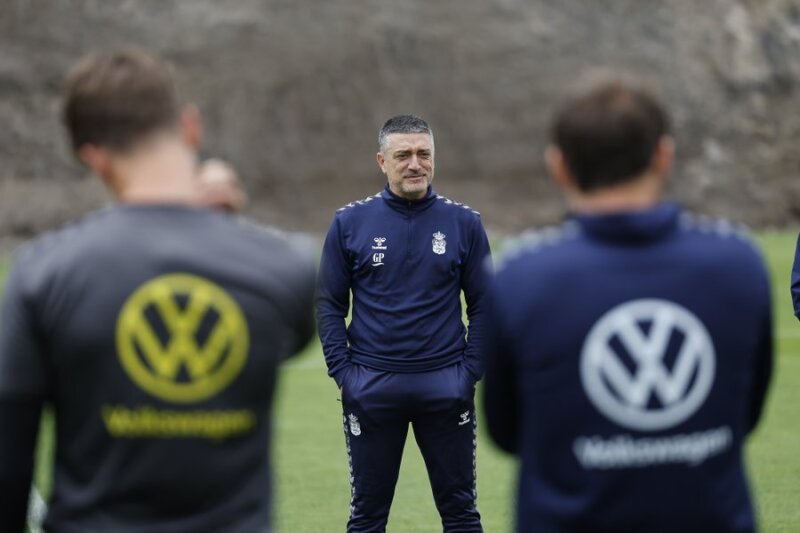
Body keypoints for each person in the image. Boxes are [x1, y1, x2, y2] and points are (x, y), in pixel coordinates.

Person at [0, 48, 316, 532]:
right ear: (191, 128)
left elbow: (8, 472)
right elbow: (289, 333)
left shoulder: (40, 276)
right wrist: (229, 226)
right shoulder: (286, 267)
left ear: (94, 159)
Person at [483, 76, 773, 532]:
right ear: (664, 155)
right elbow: (746, 415)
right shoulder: (739, 264)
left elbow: (505, 432)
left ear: (558, 166)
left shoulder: (521, 277)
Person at [316, 115, 490, 532]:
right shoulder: (349, 223)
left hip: (445, 385)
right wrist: (344, 374)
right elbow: (329, 304)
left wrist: (469, 374)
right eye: (403, 155)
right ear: (382, 161)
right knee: (367, 517)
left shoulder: (465, 223)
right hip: (372, 387)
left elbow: (485, 304)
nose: (415, 163)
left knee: (462, 515)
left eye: (424, 154)